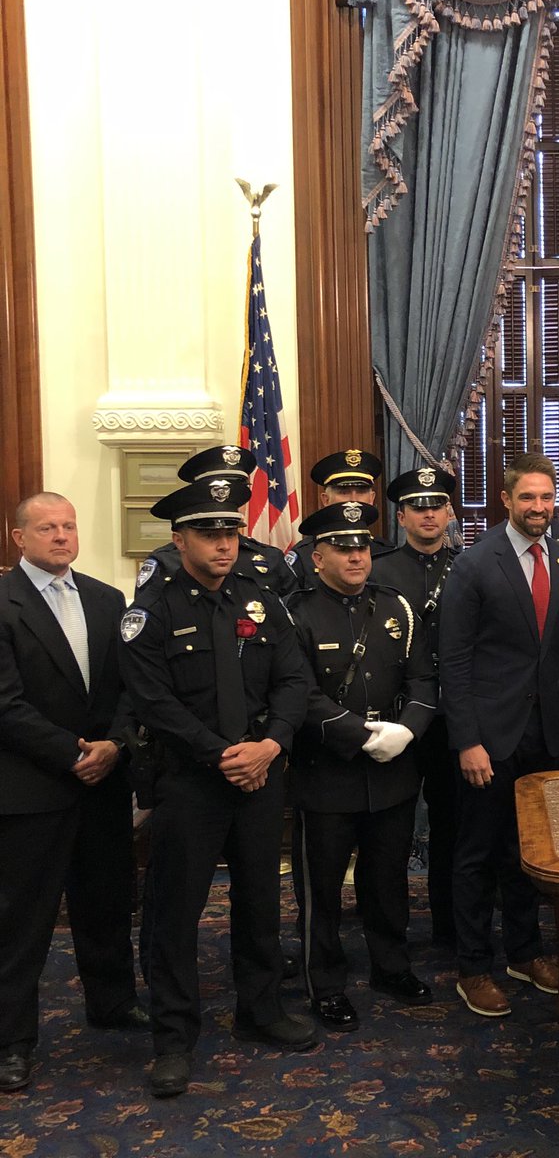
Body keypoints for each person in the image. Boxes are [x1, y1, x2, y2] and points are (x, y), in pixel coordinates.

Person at [118, 479, 314, 1097]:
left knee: (260, 899)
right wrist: (222, 755)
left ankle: (261, 1010)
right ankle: (174, 1038)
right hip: (190, 781)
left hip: (260, 773)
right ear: (179, 540)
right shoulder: (152, 611)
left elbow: (294, 680)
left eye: (231, 531)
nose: (224, 544)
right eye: (208, 533)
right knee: (176, 912)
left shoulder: (261, 599)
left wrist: (271, 745)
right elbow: (152, 700)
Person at [439, 453, 559, 1017]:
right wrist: (467, 740)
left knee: (529, 853)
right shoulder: (475, 564)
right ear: (506, 500)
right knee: (478, 855)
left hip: (549, 735)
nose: (538, 507)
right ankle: (474, 968)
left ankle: (524, 954)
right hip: (488, 737)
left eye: (547, 498)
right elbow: (453, 661)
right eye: (527, 497)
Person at [0, 494, 145, 1094]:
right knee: (21, 922)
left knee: (106, 902)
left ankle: (112, 1003)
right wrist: (72, 753)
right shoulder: (3, 601)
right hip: (32, 788)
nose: (61, 536)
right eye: (47, 528)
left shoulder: (108, 599)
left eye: (68, 525)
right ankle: (11, 1041)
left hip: (103, 784)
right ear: (19, 537)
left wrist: (114, 745)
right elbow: (5, 704)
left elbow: (133, 689)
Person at [286, 502, 438, 1032]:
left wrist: (408, 730)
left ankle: (391, 967)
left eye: (363, 547)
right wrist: (361, 735)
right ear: (317, 556)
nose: (356, 556)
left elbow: (423, 680)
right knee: (322, 889)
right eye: (342, 548)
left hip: (393, 771)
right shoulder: (295, 613)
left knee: (388, 879)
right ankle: (325, 984)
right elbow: (298, 693)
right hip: (327, 773)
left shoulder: (396, 606)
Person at [372, 465, 462, 947]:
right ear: (401, 516)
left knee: (453, 826)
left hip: (452, 718)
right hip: (397, 717)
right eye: (417, 507)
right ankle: (391, 935)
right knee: (391, 830)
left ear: (449, 513)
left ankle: (450, 926)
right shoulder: (378, 570)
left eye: (437, 506)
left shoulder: (468, 567)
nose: (429, 515)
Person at [134, 444, 297, 599]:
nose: (226, 494)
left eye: (238, 487)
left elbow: (291, 611)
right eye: (218, 489)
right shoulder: (166, 561)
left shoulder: (270, 558)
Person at [286, 449, 395, 589]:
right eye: (343, 492)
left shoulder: (387, 552)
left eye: (361, 491)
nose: (353, 500)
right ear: (325, 500)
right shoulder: (303, 556)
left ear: (372, 498)